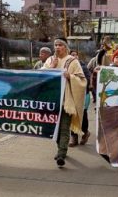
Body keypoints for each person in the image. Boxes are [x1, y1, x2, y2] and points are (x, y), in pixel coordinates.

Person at [42, 38, 86, 167]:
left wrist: (70, 77)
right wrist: (51, 67)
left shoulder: (73, 61)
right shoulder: (50, 60)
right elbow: (41, 76)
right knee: (55, 128)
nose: (57, 47)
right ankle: (60, 148)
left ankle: (61, 153)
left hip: (67, 101)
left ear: (65, 47)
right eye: (55, 45)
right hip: (52, 99)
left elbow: (82, 80)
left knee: (64, 127)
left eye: (60, 45)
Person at [68, 50, 91, 147]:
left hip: (83, 95)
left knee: (83, 115)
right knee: (72, 114)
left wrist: (74, 80)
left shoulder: (83, 67)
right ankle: (74, 137)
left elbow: (87, 80)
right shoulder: (67, 67)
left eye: (75, 55)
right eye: (71, 55)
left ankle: (85, 132)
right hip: (70, 94)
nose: (74, 57)